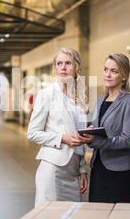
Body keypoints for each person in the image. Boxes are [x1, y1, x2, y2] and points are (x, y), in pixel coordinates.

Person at [27, 47, 89, 207]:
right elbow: (33, 133)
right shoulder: (46, 94)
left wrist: (82, 170)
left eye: (68, 63)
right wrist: (62, 138)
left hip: (73, 170)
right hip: (53, 169)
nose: (63, 67)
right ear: (55, 68)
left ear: (77, 68)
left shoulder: (80, 98)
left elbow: (79, 138)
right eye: (59, 63)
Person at [77, 53, 130, 203]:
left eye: (114, 71)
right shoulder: (100, 101)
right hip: (98, 168)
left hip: (119, 171)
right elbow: (99, 131)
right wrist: (89, 133)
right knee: (97, 214)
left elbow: (127, 140)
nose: (108, 74)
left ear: (124, 76)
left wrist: (96, 140)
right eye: (106, 70)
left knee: (119, 218)